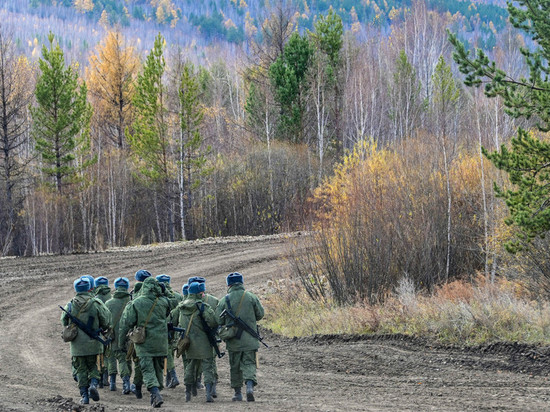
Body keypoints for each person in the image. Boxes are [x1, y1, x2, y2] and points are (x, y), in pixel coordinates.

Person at [119, 277, 171, 408]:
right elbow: (171, 309)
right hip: (161, 342)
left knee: (147, 369)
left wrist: (122, 342)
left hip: (143, 342)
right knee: (158, 368)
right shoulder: (164, 301)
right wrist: (164, 292)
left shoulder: (136, 302)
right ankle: (157, 390)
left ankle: (155, 392)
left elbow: (128, 322)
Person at [60, 277, 112, 405]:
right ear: (89, 287)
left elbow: (64, 322)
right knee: (94, 367)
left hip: (77, 346)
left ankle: (84, 396)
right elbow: (106, 320)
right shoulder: (96, 303)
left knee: (80, 370)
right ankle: (93, 385)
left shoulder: (70, 305)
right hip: (94, 343)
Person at [215, 272, 264, 402]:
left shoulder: (223, 300)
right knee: (249, 363)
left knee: (235, 366)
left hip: (234, 341)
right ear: (241, 283)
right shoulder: (251, 297)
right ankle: (249, 387)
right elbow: (260, 315)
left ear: (228, 284)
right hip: (250, 340)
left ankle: (238, 393)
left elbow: (217, 320)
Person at [171, 281, 218, 402]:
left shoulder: (181, 306)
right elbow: (213, 322)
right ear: (200, 293)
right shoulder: (203, 307)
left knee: (190, 366)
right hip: (204, 342)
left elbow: (173, 320)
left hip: (188, 343)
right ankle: (208, 395)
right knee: (208, 366)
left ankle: (188, 394)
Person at [188, 276, 219, 397]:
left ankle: (195, 383)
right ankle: (212, 386)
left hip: (192, 337)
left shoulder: (186, 302)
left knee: (192, 361)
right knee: (210, 362)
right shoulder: (214, 300)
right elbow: (217, 320)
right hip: (210, 337)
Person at [126, 268, 152, 398]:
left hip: (139, 334)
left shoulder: (134, 294)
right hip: (154, 334)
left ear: (137, 280)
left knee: (137, 361)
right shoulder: (156, 294)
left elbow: (129, 319)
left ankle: (137, 386)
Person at [105, 277, 132, 394]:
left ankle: (112, 383)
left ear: (115, 288)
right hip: (129, 336)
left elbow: (105, 320)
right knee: (126, 360)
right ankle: (126, 383)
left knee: (111, 358)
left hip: (113, 336)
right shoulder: (132, 301)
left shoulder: (108, 303)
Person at [156, 274, 183, 389]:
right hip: (175, 328)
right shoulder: (177, 296)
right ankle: (169, 380)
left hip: (162, 327)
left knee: (165, 352)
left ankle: (172, 376)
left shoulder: (158, 297)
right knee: (170, 351)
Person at [94, 276, 112, 387]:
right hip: (109, 330)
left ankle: (100, 378)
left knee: (98, 355)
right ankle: (106, 377)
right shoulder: (112, 297)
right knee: (107, 355)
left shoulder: (95, 299)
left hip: (97, 331)